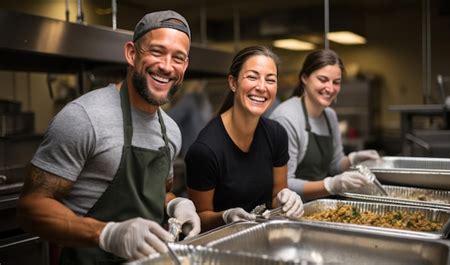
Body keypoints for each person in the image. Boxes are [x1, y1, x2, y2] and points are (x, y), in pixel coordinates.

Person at [16, 10, 201, 264]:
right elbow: (30, 208)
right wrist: (106, 233)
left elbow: (155, 194)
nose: (166, 66)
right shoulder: (84, 118)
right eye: (156, 52)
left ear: (185, 66)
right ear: (131, 54)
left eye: (177, 58)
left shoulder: (171, 131)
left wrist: (175, 205)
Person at [185, 46, 304, 232]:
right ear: (233, 83)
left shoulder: (277, 134)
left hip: (265, 238)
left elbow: (275, 197)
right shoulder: (206, 150)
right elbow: (197, 218)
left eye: (270, 80)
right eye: (252, 77)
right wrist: (226, 217)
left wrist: (285, 198)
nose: (262, 87)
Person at [270, 49, 380, 201]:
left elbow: (334, 164)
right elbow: (284, 184)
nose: (330, 88)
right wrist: (331, 185)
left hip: (322, 203)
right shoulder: (287, 117)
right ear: (304, 78)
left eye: (336, 82)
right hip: (291, 207)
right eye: (323, 80)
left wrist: (353, 159)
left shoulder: (330, 116)